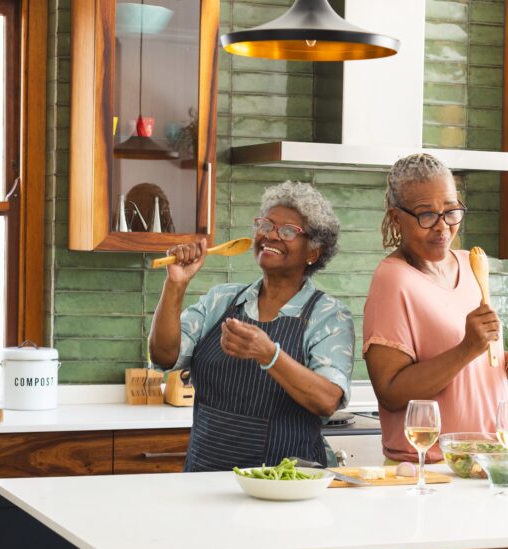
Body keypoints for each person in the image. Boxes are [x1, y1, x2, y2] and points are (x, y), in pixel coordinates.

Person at [364, 153, 508, 463]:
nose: (443, 227)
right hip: (431, 469)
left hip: (489, 459)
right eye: (426, 215)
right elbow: (390, 391)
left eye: (451, 211)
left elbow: (473, 368)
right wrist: (469, 347)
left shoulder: (471, 266)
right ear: (396, 217)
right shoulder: (393, 279)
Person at [149, 181, 354, 472]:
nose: (271, 235)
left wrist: (269, 355)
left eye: (288, 231)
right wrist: (175, 285)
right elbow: (163, 355)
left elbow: (327, 400)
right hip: (206, 477)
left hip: (286, 484)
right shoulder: (221, 300)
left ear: (313, 252)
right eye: (266, 225)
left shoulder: (328, 316)